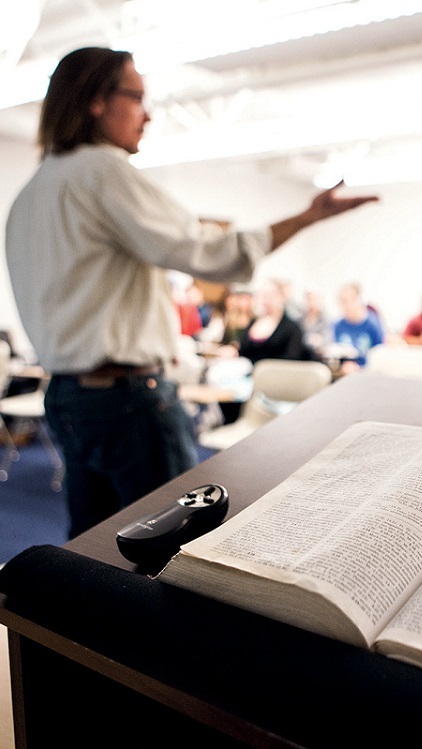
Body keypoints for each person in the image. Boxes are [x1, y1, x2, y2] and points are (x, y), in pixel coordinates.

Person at [4, 46, 378, 539]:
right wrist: (304, 218)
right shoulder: (103, 171)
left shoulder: (29, 196)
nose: (148, 114)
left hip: (68, 396)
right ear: (96, 100)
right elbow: (213, 253)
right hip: (126, 400)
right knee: (177, 541)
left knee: (91, 545)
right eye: (137, 97)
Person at [331, 282, 384, 375]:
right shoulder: (337, 326)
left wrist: (359, 368)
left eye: (349, 300)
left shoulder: (373, 324)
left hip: (367, 372)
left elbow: (379, 355)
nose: (346, 306)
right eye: (342, 301)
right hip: (343, 373)